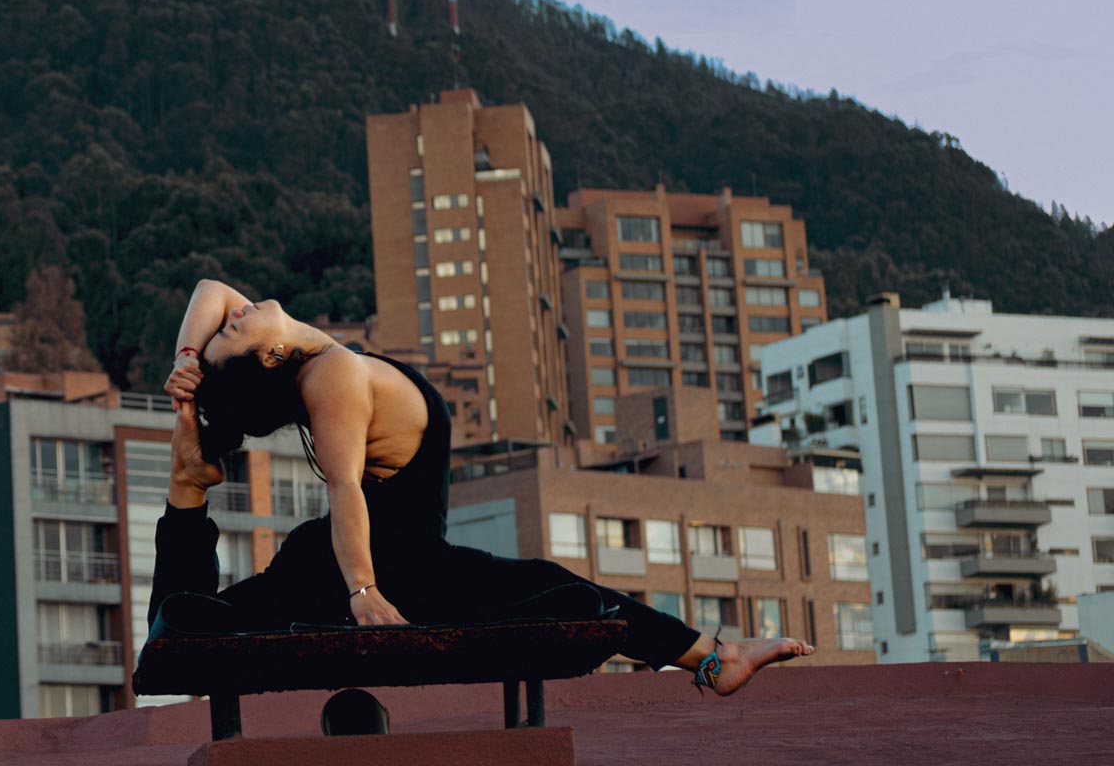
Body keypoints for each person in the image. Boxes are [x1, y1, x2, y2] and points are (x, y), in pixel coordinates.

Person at [151, 279, 814, 695]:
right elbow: (345, 488)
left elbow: (208, 289)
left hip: (372, 560)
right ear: (268, 357)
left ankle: (188, 486)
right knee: (563, 594)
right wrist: (363, 591)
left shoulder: (316, 353)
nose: (232, 316)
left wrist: (188, 362)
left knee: (181, 630)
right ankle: (711, 661)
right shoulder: (333, 375)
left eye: (231, 326)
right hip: (385, 567)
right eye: (231, 333)